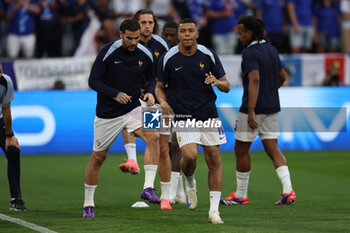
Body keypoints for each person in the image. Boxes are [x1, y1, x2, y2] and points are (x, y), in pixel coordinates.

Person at [82, 18, 161, 218]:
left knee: (154, 137)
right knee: (99, 158)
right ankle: (88, 203)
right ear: (120, 34)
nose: (134, 42)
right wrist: (115, 93)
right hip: (107, 113)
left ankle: (148, 188)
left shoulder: (145, 53)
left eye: (137, 38)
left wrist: (151, 92)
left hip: (133, 108)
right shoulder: (108, 51)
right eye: (129, 38)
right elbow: (93, 81)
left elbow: (152, 77)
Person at [156, 18, 230, 224]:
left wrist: (217, 81)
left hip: (208, 114)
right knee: (189, 156)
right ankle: (190, 181)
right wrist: (162, 102)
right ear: (178, 35)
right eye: (183, 31)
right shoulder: (168, 57)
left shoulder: (208, 55)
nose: (187, 34)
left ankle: (214, 211)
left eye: (191, 31)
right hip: (183, 116)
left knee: (214, 157)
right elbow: (159, 86)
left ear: (197, 33)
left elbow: (227, 85)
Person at [220, 16, 296, 206]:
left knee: (241, 149)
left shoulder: (249, 52)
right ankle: (288, 191)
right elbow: (282, 77)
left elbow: (254, 80)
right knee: (272, 148)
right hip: (272, 107)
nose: (239, 36)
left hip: (252, 109)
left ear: (251, 32)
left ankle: (241, 195)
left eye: (241, 32)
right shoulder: (271, 49)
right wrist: (271, 91)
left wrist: (252, 109)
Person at [0, 63, 27, 211]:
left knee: (13, 151)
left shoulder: (5, 81)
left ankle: (16, 199)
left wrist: (9, 135)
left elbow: (5, 109)